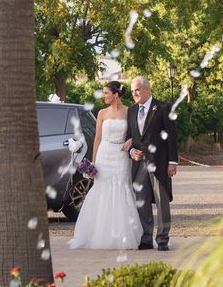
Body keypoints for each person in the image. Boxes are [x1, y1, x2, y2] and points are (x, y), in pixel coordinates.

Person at [69, 81, 143, 249]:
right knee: (102, 190)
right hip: (104, 153)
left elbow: (137, 133)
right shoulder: (102, 113)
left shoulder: (130, 112)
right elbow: (97, 138)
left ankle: (123, 235)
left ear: (115, 94)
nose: (104, 96)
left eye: (106, 93)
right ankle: (100, 233)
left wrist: (130, 140)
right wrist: (94, 162)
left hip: (121, 155)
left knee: (121, 188)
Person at [127, 76, 178, 251]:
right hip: (139, 164)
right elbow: (131, 139)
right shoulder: (131, 111)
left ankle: (163, 239)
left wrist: (172, 162)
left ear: (147, 89)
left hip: (160, 163)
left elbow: (171, 136)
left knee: (162, 201)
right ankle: (146, 238)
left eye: (138, 90)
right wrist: (132, 151)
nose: (134, 93)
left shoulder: (163, 108)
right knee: (142, 201)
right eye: (133, 91)